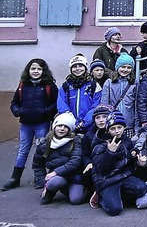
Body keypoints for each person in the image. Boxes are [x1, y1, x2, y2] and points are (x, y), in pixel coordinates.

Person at [2, 58, 58, 191]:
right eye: (33, 68)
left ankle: (40, 177)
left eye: (39, 69)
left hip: (42, 124)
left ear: (43, 71)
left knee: (41, 150)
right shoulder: (23, 85)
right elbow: (14, 103)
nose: (36, 71)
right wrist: (18, 111)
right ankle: (15, 178)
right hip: (26, 124)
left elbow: (56, 103)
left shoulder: (49, 85)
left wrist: (45, 112)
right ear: (28, 70)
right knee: (23, 150)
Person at [90, 111, 147, 216]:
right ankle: (101, 197)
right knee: (114, 210)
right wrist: (110, 153)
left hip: (123, 176)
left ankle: (116, 196)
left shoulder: (126, 141)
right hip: (106, 179)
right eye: (113, 129)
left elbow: (129, 162)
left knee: (142, 188)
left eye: (119, 127)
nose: (117, 131)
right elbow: (101, 169)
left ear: (124, 128)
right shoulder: (100, 144)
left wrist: (138, 160)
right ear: (107, 130)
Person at [31, 112, 82, 205]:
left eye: (66, 127)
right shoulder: (45, 143)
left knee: (76, 199)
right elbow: (38, 165)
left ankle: (66, 188)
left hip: (74, 175)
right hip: (57, 176)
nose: (62, 129)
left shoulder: (75, 140)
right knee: (53, 183)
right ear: (54, 126)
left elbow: (75, 161)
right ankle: (51, 190)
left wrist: (55, 172)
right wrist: (44, 183)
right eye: (60, 125)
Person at [57, 54, 102, 134]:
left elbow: (96, 105)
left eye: (80, 66)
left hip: (89, 126)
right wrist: (71, 120)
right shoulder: (66, 86)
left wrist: (85, 121)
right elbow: (61, 104)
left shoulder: (93, 85)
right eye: (74, 66)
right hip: (70, 126)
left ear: (85, 67)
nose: (77, 69)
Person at [101, 53, 136, 134]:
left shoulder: (134, 83)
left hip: (129, 124)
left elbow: (136, 105)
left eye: (129, 67)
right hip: (113, 124)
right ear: (117, 67)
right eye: (123, 67)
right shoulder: (109, 83)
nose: (125, 70)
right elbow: (104, 104)